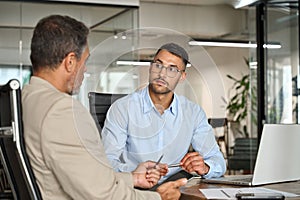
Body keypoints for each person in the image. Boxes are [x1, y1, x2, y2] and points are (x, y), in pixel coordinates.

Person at [22, 15, 186, 200]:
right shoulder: (62, 111)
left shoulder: (28, 99)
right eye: (84, 62)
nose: (85, 70)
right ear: (70, 62)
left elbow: (87, 179)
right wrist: (159, 198)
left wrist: (132, 178)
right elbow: (102, 196)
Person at [101, 42, 227, 184]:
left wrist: (205, 167)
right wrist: (134, 174)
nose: (162, 74)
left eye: (172, 69)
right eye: (158, 65)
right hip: (136, 189)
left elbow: (218, 161)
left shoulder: (193, 113)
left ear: (182, 77)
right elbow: (106, 162)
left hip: (176, 188)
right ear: (150, 67)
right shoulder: (123, 109)